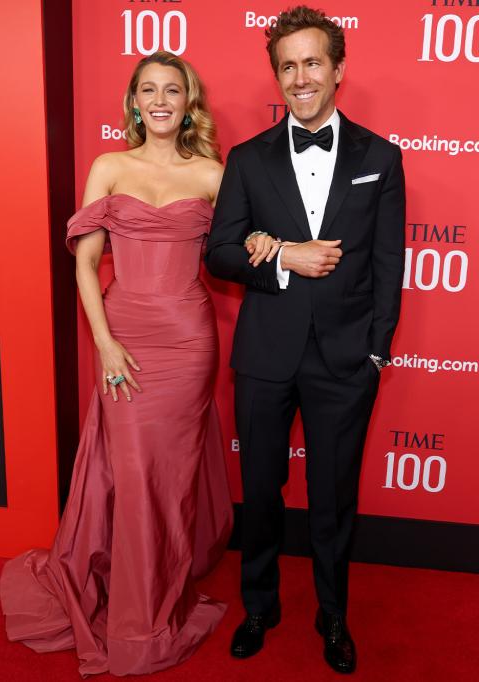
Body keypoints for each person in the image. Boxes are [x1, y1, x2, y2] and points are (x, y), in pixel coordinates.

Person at [0, 51, 233, 677]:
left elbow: (234, 252)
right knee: (131, 473)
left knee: (170, 478)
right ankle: (134, 601)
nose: (160, 101)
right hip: (123, 333)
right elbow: (84, 262)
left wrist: (270, 244)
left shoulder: (213, 174)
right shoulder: (109, 166)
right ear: (133, 103)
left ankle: (151, 611)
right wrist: (103, 341)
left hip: (188, 342)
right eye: (148, 90)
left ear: (188, 103)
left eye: (172, 90)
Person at [206, 5, 406, 675]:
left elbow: (389, 263)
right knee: (261, 490)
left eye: (312, 62)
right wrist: (285, 256)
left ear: (337, 69)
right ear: (278, 76)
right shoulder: (247, 159)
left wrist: (376, 351)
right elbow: (220, 253)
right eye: (288, 66)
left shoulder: (381, 157)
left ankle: (333, 613)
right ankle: (259, 606)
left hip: (347, 359)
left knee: (334, 497)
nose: (301, 78)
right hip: (266, 352)